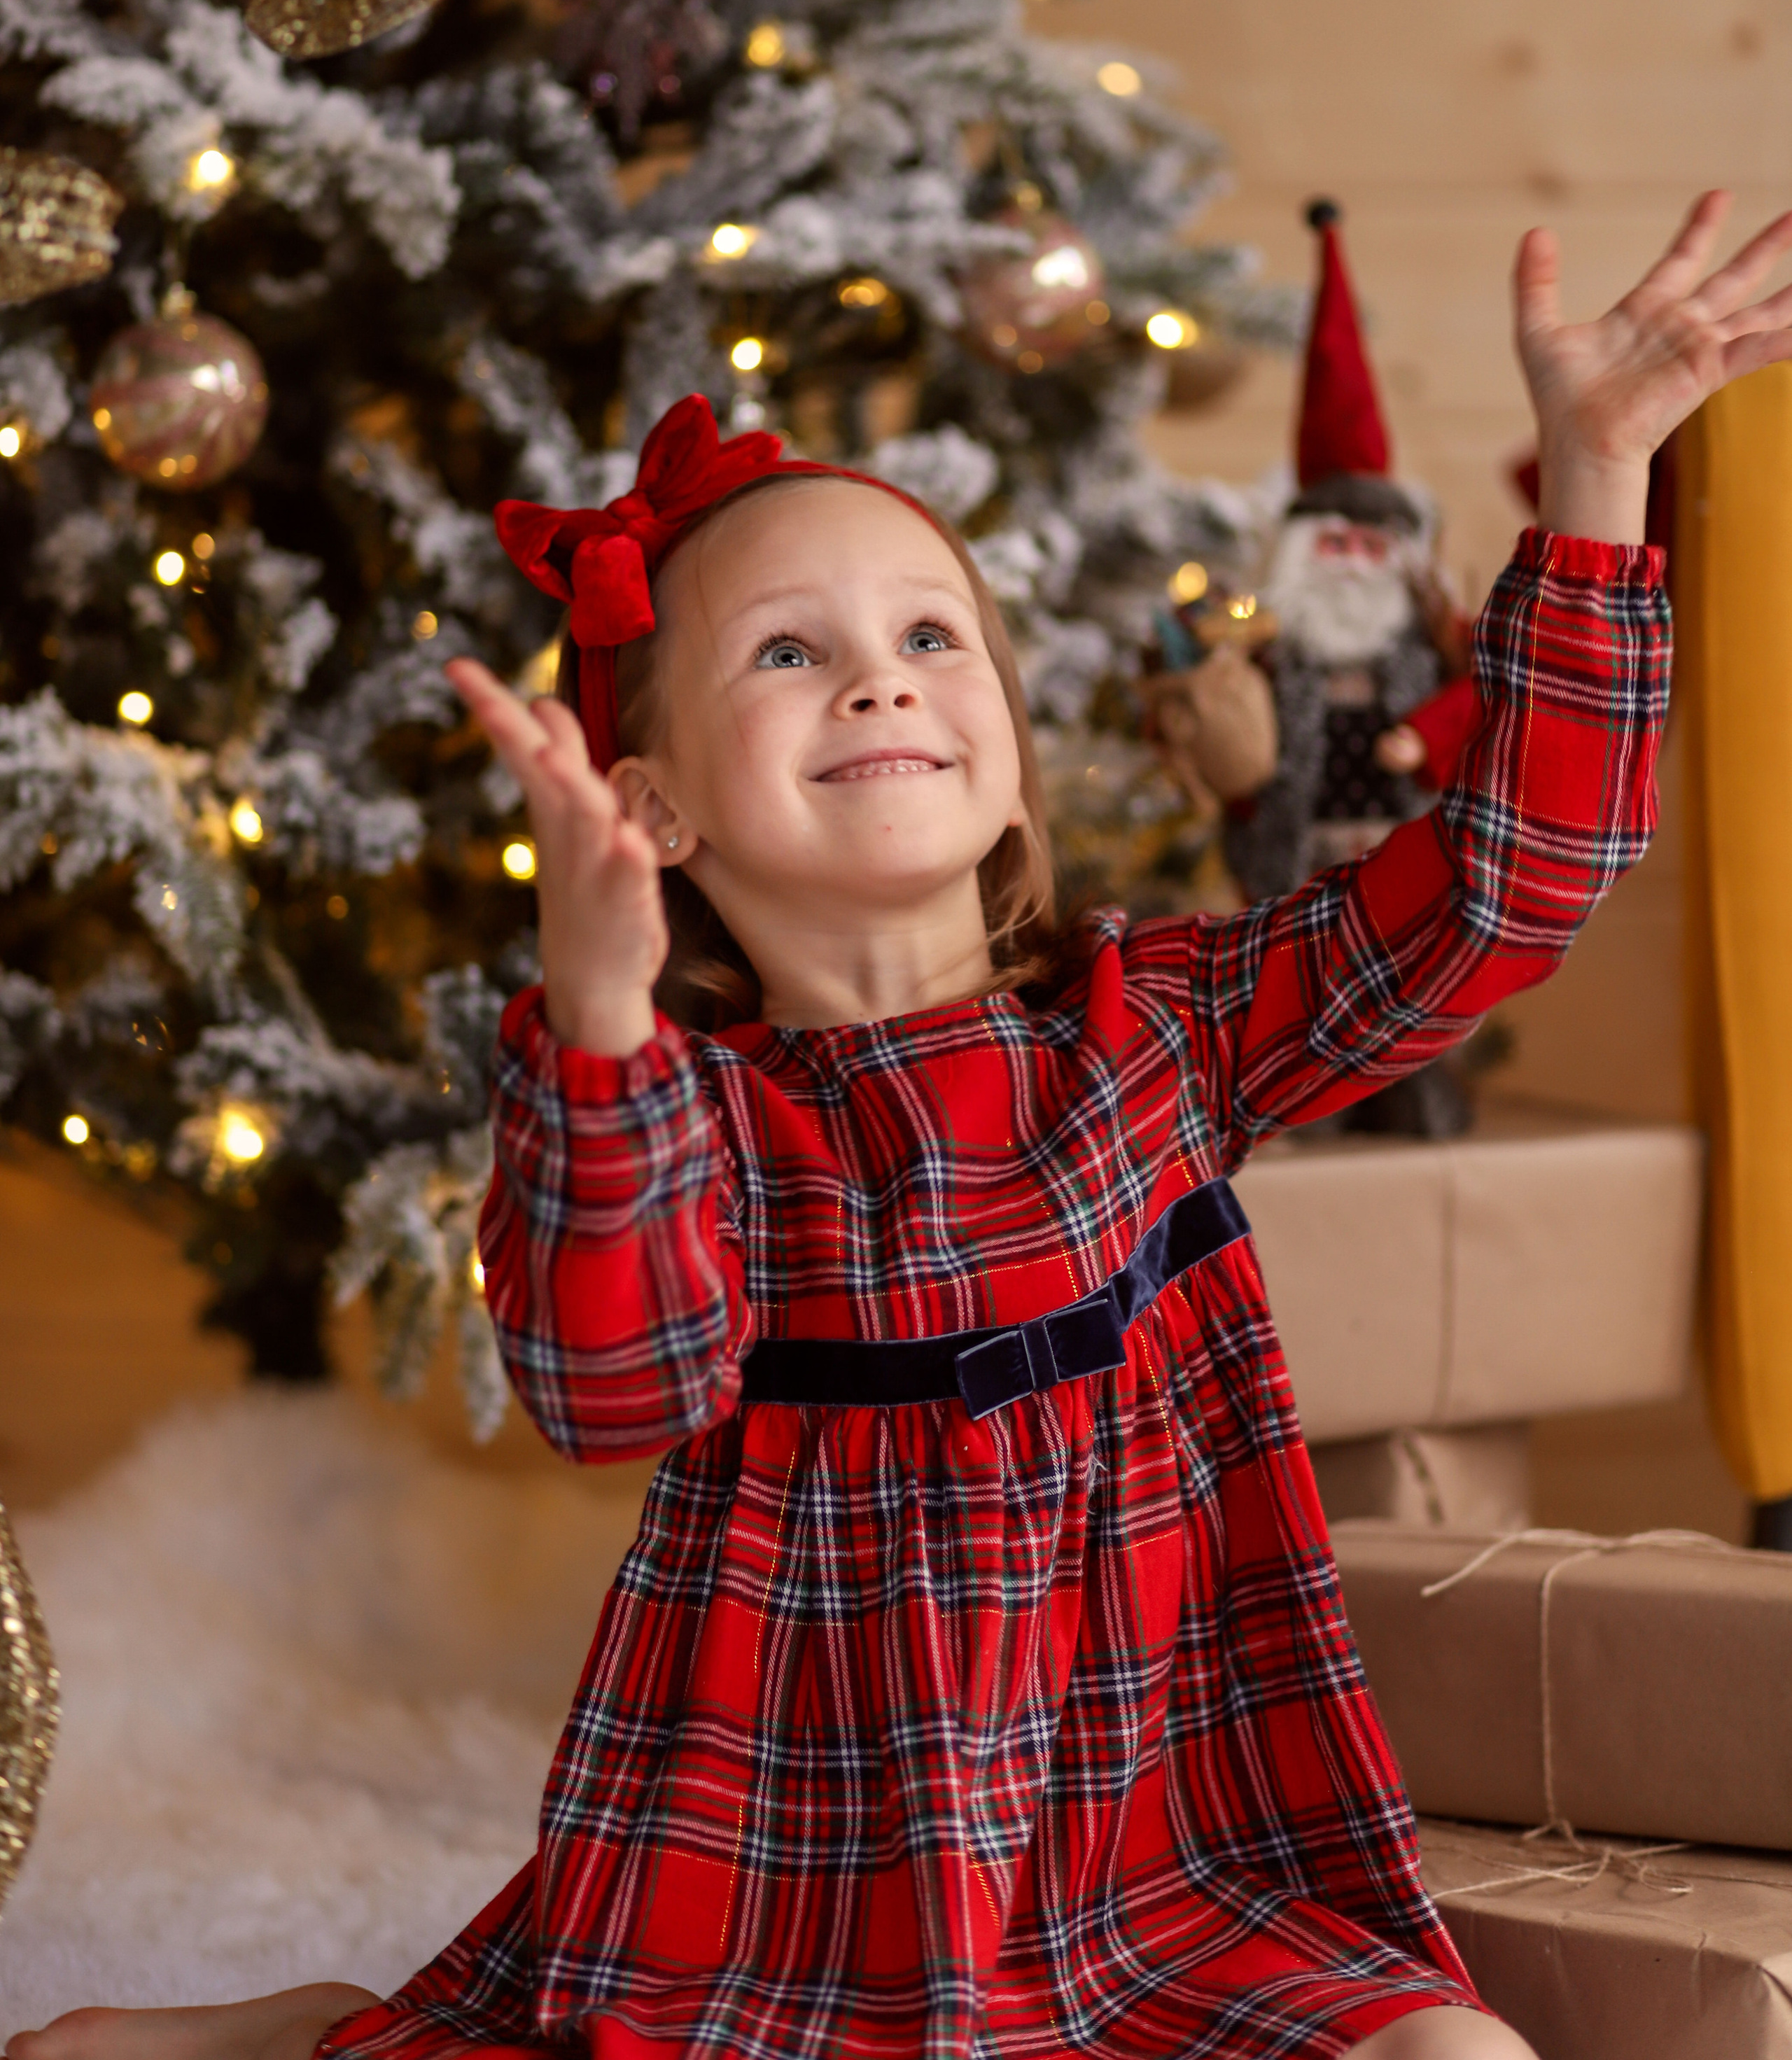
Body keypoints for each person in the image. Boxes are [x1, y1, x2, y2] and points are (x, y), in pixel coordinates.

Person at [12, 190, 1792, 2060]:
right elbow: (603, 1385)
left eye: (931, 637)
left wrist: (1594, 481)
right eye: (785, 653)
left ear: (1011, 772)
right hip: (804, 1863)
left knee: (1463, 2057)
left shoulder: (1159, 1030)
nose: (878, 676)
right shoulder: (694, 1117)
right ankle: (302, 2031)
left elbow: (1513, 885)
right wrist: (604, 1015)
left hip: (1160, 1849)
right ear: (657, 809)